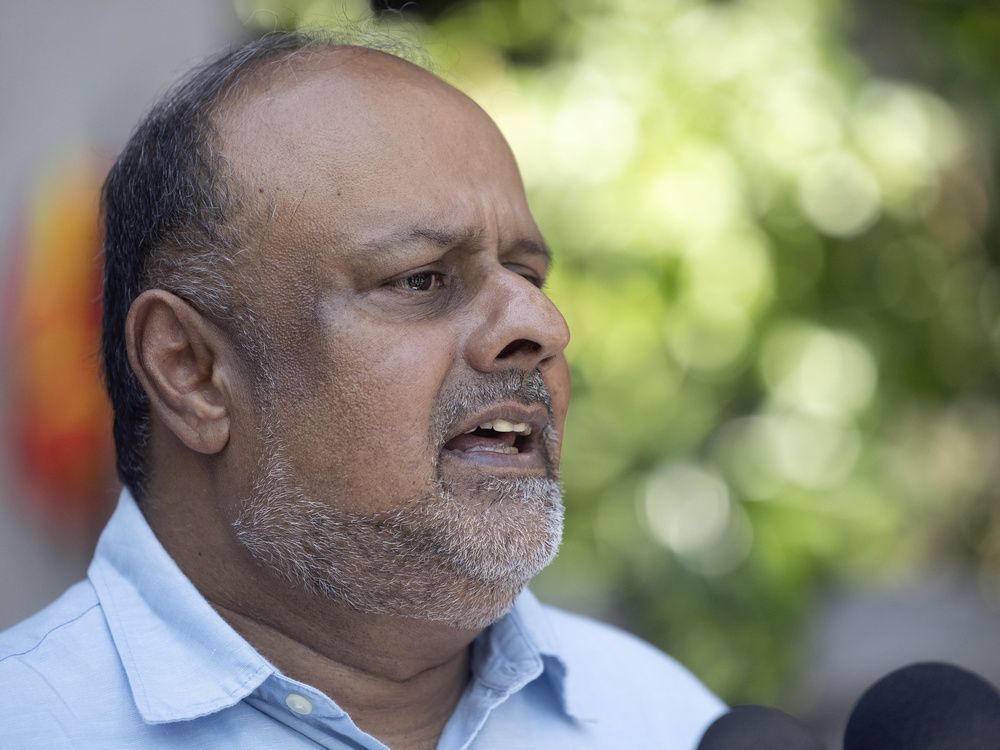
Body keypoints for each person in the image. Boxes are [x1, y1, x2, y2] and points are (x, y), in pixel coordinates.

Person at [0, 31, 723, 749]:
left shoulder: (661, 719)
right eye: (421, 279)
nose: (544, 326)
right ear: (193, 372)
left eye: (528, 275)